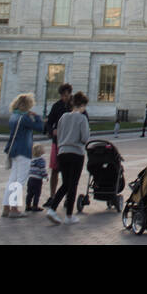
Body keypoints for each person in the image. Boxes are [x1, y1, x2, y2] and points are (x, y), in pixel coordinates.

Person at [46, 92, 90, 225]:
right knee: (73, 184)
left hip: (62, 152)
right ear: (82, 105)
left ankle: (52, 209)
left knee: (65, 183)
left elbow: (58, 134)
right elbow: (85, 138)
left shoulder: (63, 117)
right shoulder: (82, 118)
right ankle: (69, 216)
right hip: (76, 153)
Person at [2, 93, 43, 218]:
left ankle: (6, 207)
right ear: (27, 105)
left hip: (13, 150)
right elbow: (40, 128)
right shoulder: (24, 118)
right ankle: (14, 209)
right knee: (20, 180)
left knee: (12, 179)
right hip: (23, 150)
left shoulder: (14, 116)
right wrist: (37, 117)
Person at [44, 84, 73, 202]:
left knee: (69, 172)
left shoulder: (74, 106)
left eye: (66, 95)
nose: (64, 98)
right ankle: (52, 196)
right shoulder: (57, 106)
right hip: (58, 142)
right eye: (62, 95)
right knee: (55, 170)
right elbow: (49, 123)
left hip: (71, 143)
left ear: (70, 94)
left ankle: (68, 197)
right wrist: (52, 131)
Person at [26, 144, 47, 212]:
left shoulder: (31, 160)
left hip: (30, 179)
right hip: (37, 180)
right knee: (37, 194)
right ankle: (35, 206)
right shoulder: (41, 160)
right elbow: (42, 169)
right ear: (41, 151)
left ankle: (28, 206)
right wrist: (45, 176)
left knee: (29, 193)